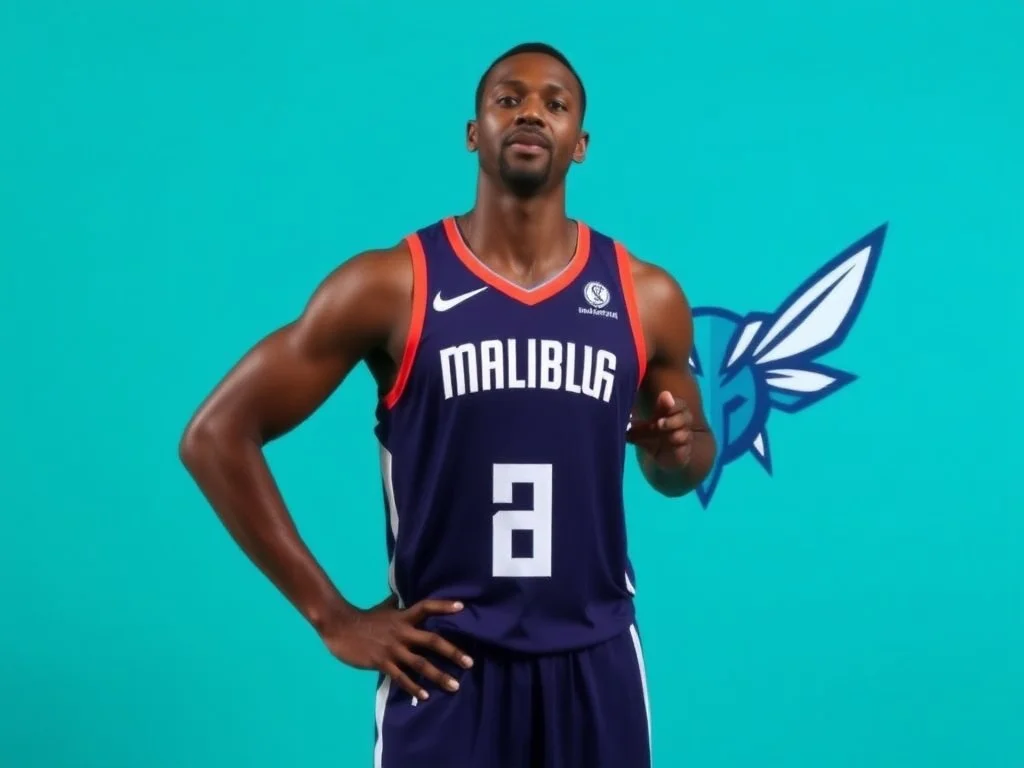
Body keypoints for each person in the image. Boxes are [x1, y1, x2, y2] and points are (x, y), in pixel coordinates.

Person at [179, 41, 716, 768]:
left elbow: (683, 467)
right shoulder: (393, 284)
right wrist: (330, 615)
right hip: (444, 666)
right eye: (508, 98)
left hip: (596, 659)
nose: (531, 112)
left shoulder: (644, 295)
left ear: (581, 144)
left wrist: (679, 451)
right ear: (473, 132)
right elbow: (215, 435)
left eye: (555, 103)